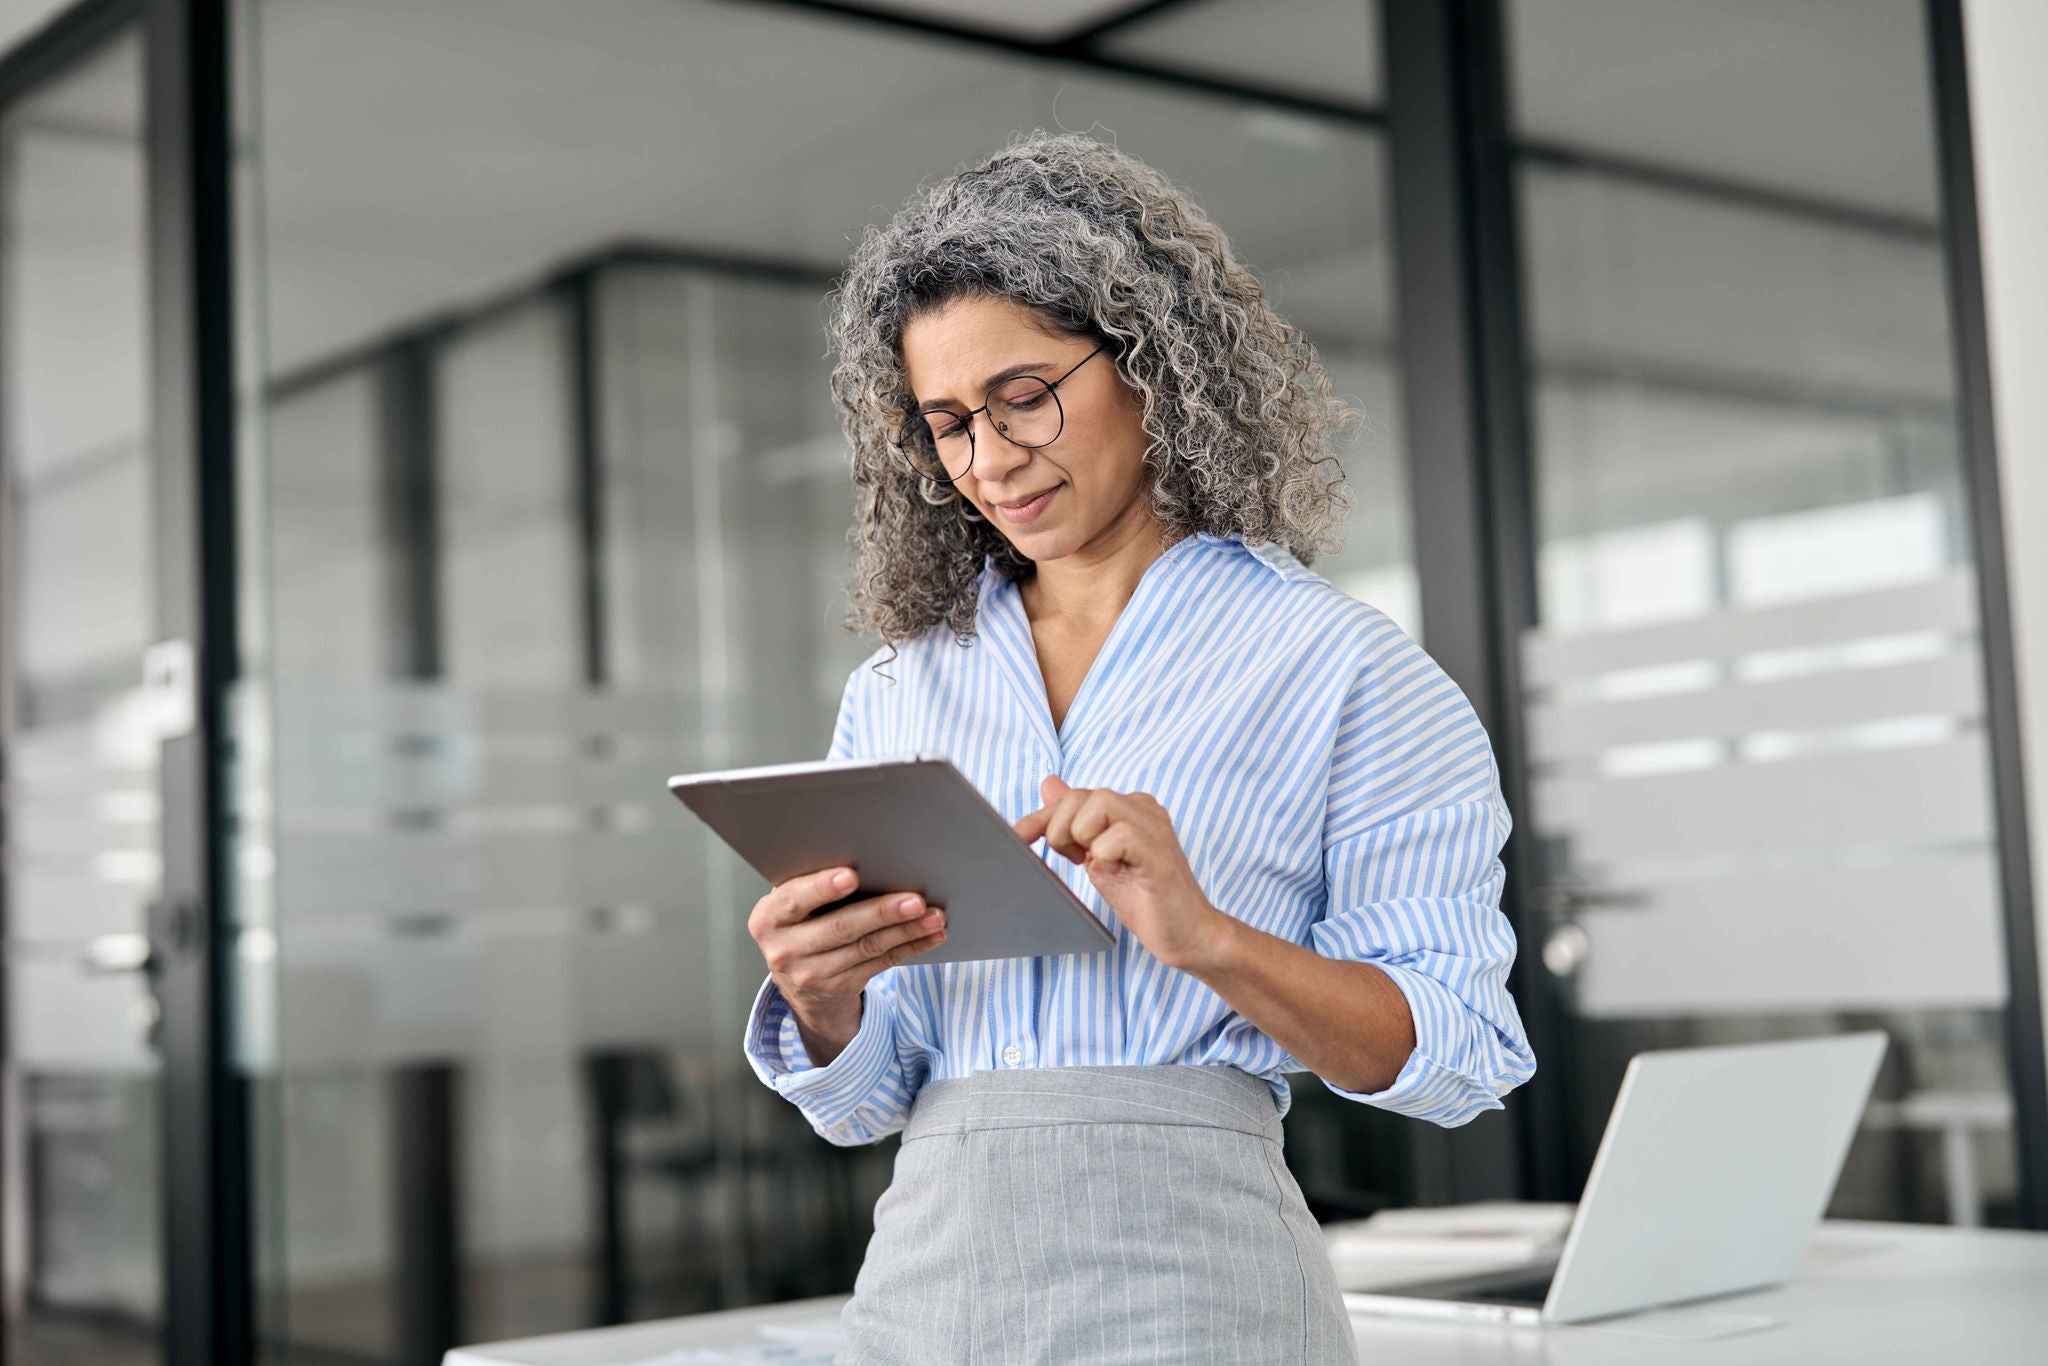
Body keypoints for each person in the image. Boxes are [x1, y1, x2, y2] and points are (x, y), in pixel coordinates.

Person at [742, 133, 1535, 1365]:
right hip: (925, 1289)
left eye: (1024, 396)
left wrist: (1208, 940)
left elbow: (1457, 1053)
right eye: (947, 423)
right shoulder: (902, 691)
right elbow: (872, 1101)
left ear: (1153, 368)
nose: (991, 459)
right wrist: (826, 996)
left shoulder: (1341, 670)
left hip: (1201, 1291)